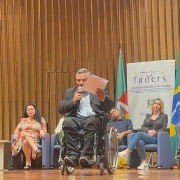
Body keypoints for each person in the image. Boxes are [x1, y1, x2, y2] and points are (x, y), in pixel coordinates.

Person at [59, 68, 114, 167]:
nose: (81, 83)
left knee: (91, 121)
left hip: (96, 118)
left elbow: (110, 105)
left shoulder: (99, 90)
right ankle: (73, 156)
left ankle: (87, 155)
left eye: (84, 80)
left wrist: (103, 98)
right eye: (78, 80)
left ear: (90, 80)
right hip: (77, 119)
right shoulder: (70, 92)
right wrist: (73, 101)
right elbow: (61, 109)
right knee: (67, 122)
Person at [118, 98, 168, 170]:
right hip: (147, 135)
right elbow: (142, 127)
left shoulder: (164, 116)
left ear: (161, 106)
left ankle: (126, 152)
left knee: (139, 134)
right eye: (155, 103)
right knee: (139, 142)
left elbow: (164, 128)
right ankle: (144, 163)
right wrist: (148, 131)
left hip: (156, 138)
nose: (156, 105)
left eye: (158, 104)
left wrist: (155, 132)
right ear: (153, 105)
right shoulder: (148, 116)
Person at [13, 103, 47, 170]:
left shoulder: (41, 119)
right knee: (25, 136)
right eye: (28, 110)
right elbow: (16, 130)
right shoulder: (23, 120)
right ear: (26, 112)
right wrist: (16, 133)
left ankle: (28, 163)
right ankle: (35, 149)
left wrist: (42, 131)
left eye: (32, 109)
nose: (30, 111)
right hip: (23, 137)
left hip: (35, 137)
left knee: (26, 141)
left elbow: (45, 129)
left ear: (35, 110)